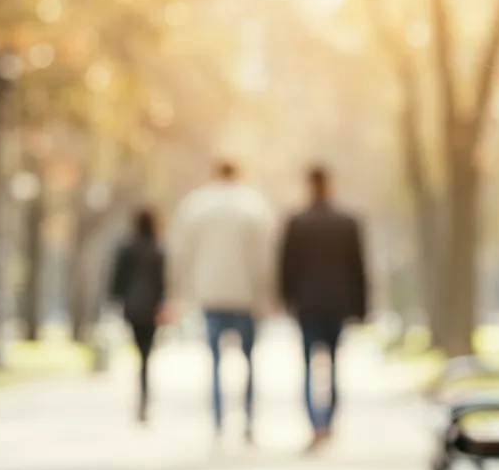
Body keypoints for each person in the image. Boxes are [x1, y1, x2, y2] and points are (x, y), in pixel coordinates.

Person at [169, 160, 274, 445]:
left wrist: (181, 291)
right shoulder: (254, 206)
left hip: (210, 294)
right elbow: (265, 257)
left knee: (215, 362)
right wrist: (267, 294)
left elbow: (181, 251)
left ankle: (218, 423)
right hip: (245, 296)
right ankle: (249, 421)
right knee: (249, 361)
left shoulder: (197, 206)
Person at [279, 165, 367, 451]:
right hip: (338, 303)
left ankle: (315, 423)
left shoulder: (297, 222)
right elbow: (358, 268)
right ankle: (328, 421)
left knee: (308, 364)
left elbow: (286, 267)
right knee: (334, 365)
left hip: (307, 303)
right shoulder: (347, 222)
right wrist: (361, 306)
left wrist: (286, 299)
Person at [109, 207, 166, 424]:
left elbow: (117, 280)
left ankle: (142, 395)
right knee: (146, 354)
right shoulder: (158, 249)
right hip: (151, 310)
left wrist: (116, 301)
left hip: (132, 308)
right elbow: (163, 283)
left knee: (140, 353)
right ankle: (144, 395)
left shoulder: (127, 249)